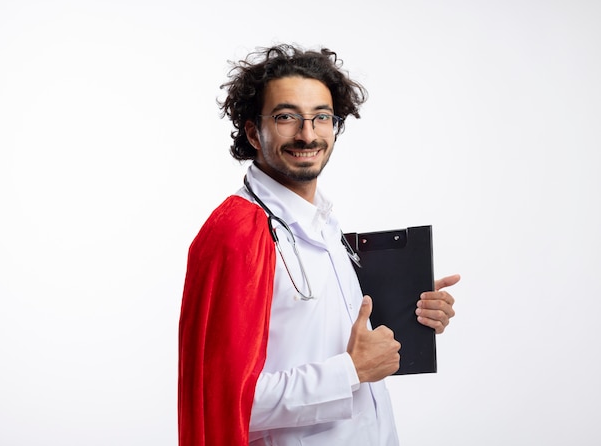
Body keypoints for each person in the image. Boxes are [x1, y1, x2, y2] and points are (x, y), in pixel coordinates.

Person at [178, 44, 459, 446]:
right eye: (286, 117)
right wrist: (350, 371)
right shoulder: (236, 234)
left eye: (321, 117)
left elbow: (334, 339)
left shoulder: (324, 225)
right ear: (253, 131)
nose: (307, 134)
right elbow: (225, 402)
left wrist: (414, 315)